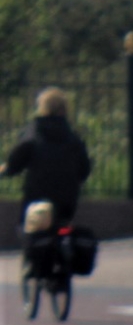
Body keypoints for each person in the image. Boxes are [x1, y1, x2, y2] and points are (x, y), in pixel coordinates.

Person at [8, 88, 92, 232]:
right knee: (64, 226)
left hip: (36, 199)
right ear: (65, 109)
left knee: (26, 229)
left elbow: (16, 162)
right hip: (67, 201)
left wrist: (9, 170)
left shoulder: (34, 133)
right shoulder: (73, 137)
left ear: (42, 107)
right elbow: (85, 169)